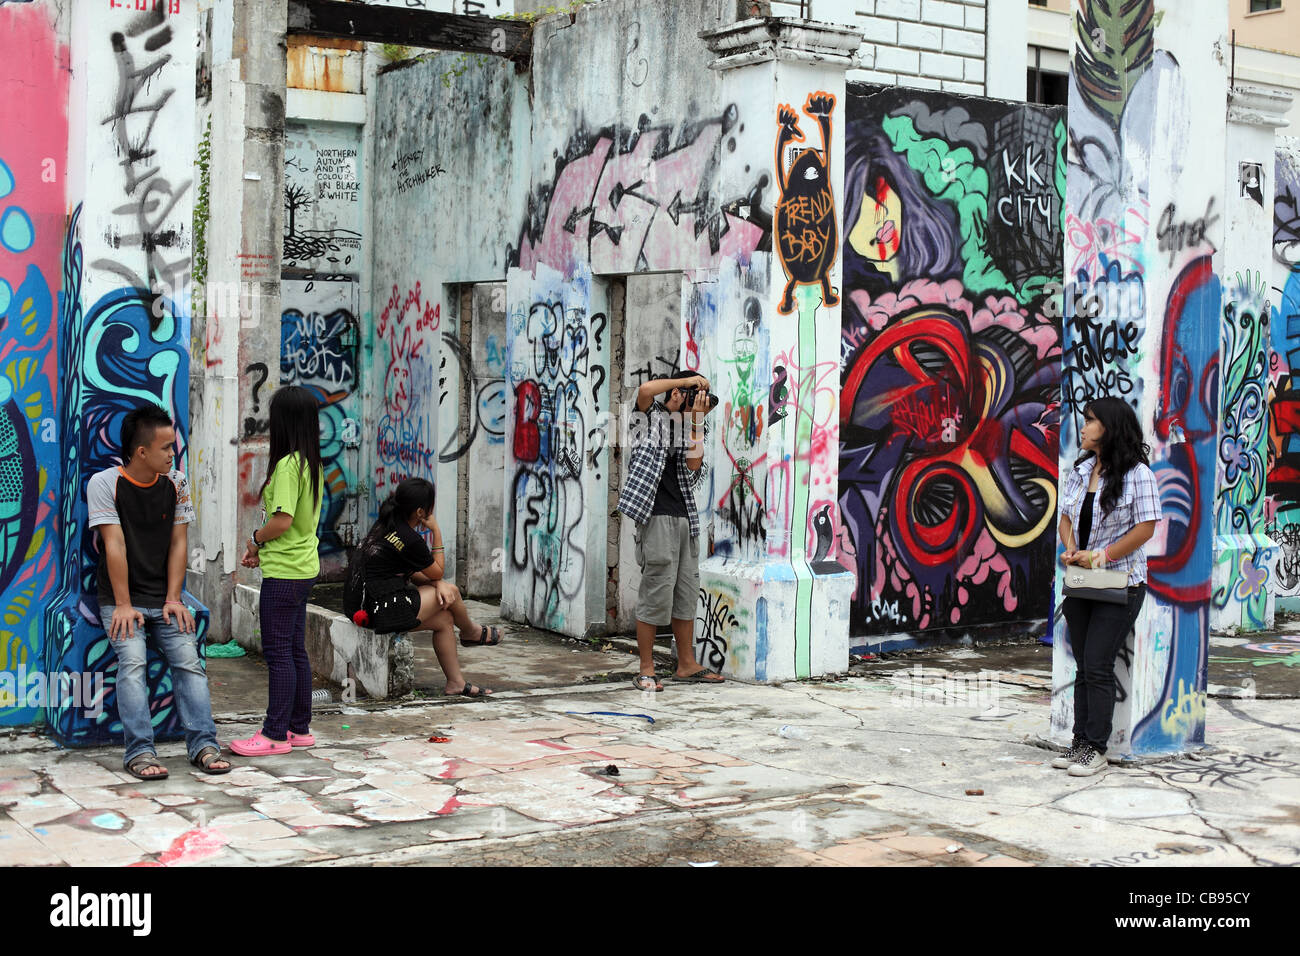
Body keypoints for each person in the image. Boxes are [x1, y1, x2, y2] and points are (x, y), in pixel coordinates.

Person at [87, 404, 232, 780]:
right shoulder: (104, 484)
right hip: (121, 601)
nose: (173, 454)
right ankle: (140, 753)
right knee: (132, 664)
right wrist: (122, 604)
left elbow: (178, 543)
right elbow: (113, 545)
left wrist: (174, 597)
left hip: (163, 598)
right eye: (167, 448)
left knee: (189, 662)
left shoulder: (177, 484)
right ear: (141, 452)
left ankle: (203, 745)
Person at [1055, 397, 1162, 776]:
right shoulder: (1080, 470)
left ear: (1110, 428)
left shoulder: (1138, 475)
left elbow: (1146, 527)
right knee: (1084, 665)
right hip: (1082, 578)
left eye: (1090, 420)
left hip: (1121, 582)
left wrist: (1100, 555)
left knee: (1098, 664)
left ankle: (1097, 749)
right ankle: (1080, 742)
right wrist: (1072, 549)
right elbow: (1065, 517)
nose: (1082, 427)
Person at [344, 477, 501, 698]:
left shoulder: (387, 522)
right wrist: (435, 530)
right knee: (452, 593)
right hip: (381, 608)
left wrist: (437, 583)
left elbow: (415, 573)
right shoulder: (409, 538)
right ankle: (470, 632)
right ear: (421, 512)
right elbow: (437, 570)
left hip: (363, 604)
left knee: (445, 620)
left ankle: (455, 683)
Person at [616, 372, 724, 692]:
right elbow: (646, 389)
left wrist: (694, 423)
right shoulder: (648, 418)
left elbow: (693, 466)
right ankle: (646, 669)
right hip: (655, 517)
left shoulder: (686, 425)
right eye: (691, 393)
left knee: (685, 594)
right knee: (655, 592)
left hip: (684, 518)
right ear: (677, 390)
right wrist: (690, 384)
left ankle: (687, 664)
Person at [232, 386, 324, 757]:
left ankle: (274, 733)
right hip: (302, 568)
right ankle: (298, 728)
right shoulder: (311, 463)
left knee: (278, 652)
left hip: (285, 573)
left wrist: (255, 540)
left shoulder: (288, 465)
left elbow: (282, 521)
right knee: (294, 650)